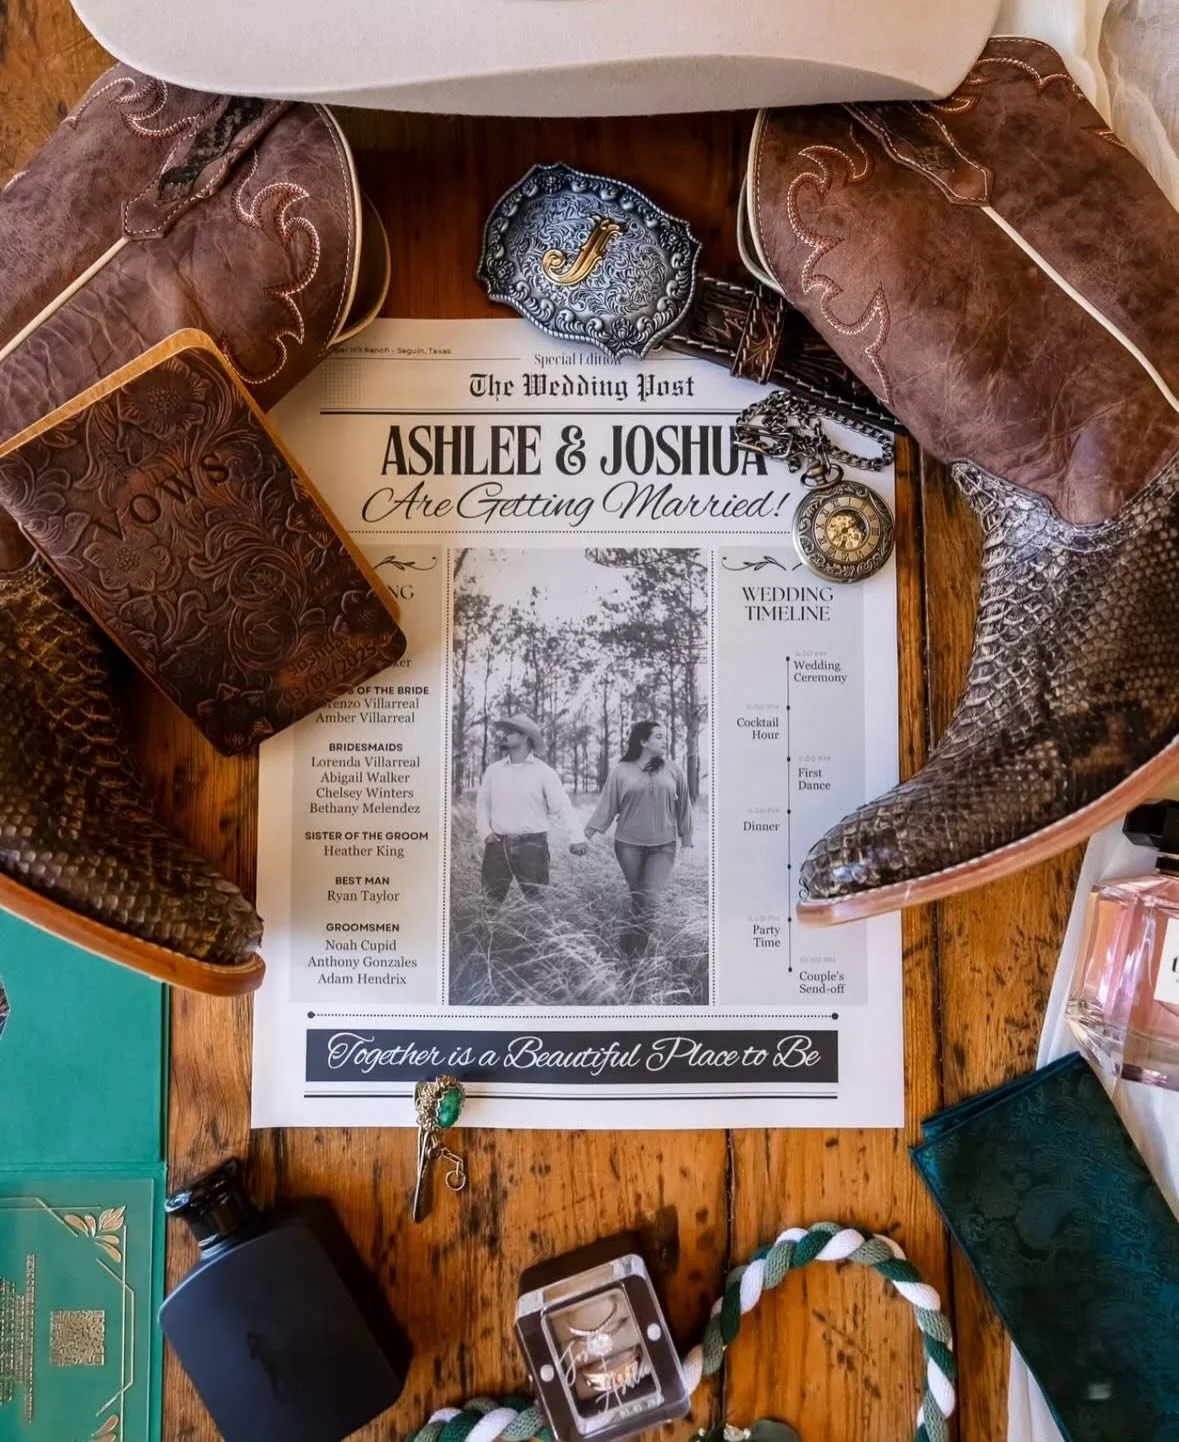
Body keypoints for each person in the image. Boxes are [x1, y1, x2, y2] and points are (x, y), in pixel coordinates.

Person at [584, 720, 693, 956]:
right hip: (628, 846)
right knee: (639, 899)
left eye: (665, 736)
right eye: (659, 736)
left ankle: (636, 955)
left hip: (663, 846)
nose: (665, 740)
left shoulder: (673, 769)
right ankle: (628, 949)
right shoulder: (620, 771)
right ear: (643, 741)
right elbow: (607, 806)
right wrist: (586, 835)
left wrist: (687, 840)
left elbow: (684, 806)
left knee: (650, 899)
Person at [475, 713, 588, 904]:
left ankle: (536, 935)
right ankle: (488, 935)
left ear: (525, 736)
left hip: (532, 848)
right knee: (487, 905)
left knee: (538, 908)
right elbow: (482, 804)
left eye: (510, 732)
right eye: (505, 731)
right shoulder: (494, 771)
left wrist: (577, 837)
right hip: (497, 846)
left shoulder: (544, 772)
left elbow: (562, 806)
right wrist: (485, 832)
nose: (504, 735)